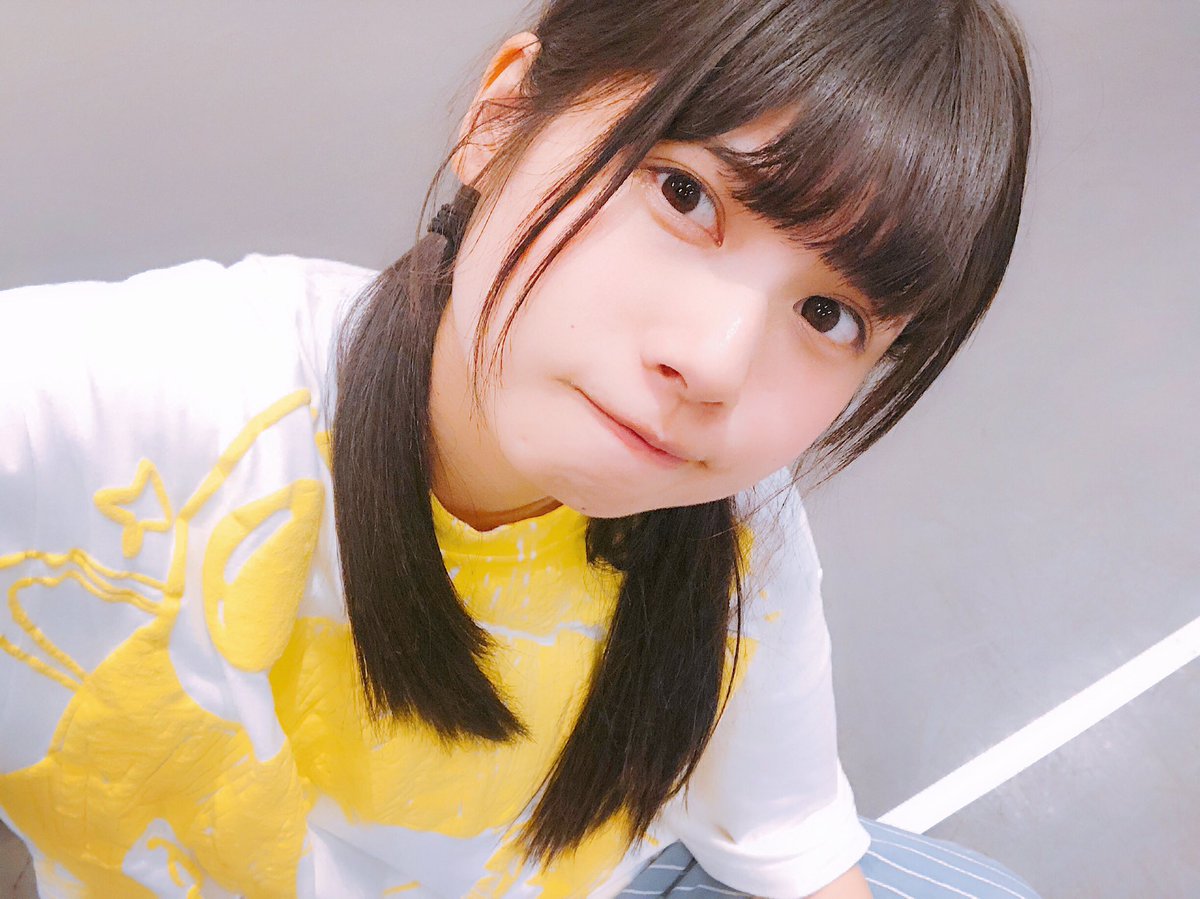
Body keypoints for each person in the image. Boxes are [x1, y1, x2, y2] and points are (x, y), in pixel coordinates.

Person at [0, 1, 1044, 896]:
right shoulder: (156, 409)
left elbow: (798, 851)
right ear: (501, 116)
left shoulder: (740, 537)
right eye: (684, 194)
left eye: (829, 314)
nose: (716, 363)